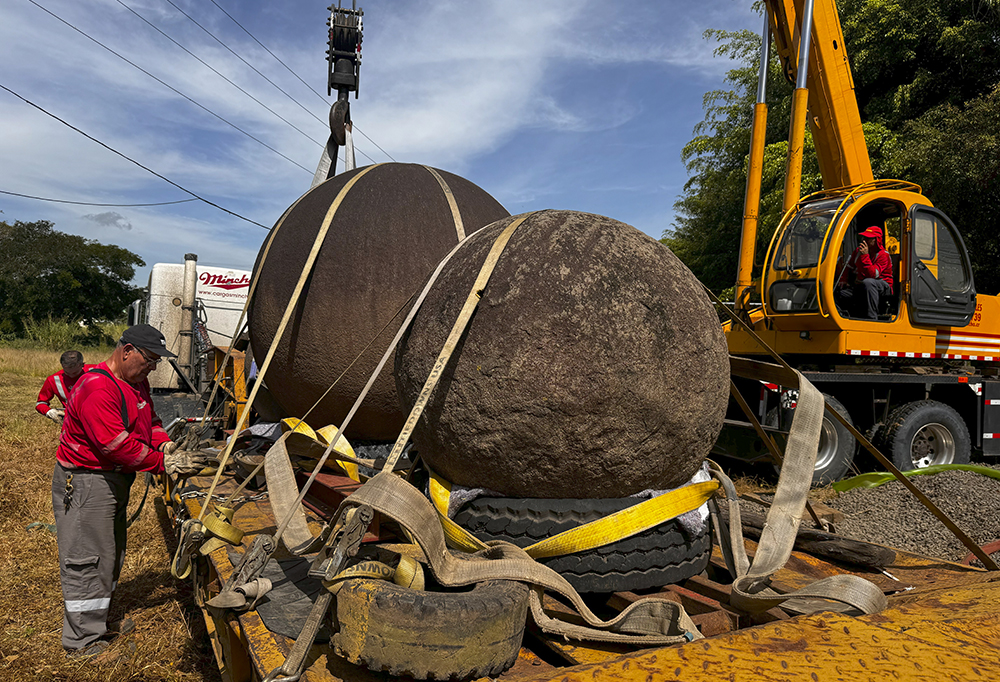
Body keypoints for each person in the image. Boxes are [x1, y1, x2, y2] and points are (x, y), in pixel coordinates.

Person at [52, 324, 208, 658]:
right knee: (87, 560)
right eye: (150, 359)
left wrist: (165, 446)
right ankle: (82, 643)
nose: (153, 367)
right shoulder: (97, 387)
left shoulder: (136, 383)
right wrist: (163, 464)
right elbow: (114, 445)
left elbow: (149, 422)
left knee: (109, 554)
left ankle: (98, 620)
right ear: (126, 352)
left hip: (113, 481)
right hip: (87, 482)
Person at [834, 225, 894, 320]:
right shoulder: (858, 251)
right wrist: (843, 280)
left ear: (876, 240)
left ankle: (872, 317)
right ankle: (843, 314)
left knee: (869, 282)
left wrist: (865, 256)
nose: (865, 240)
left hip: (882, 285)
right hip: (862, 284)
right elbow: (848, 267)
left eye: (869, 238)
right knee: (838, 291)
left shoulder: (883, 255)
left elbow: (872, 275)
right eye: (864, 237)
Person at [35, 350, 94, 424]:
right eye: (67, 372)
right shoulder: (53, 380)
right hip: (73, 423)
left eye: (75, 373)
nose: (71, 376)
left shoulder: (97, 371)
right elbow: (40, 403)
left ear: (82, 364)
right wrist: (49, 412)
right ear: (62, 366)